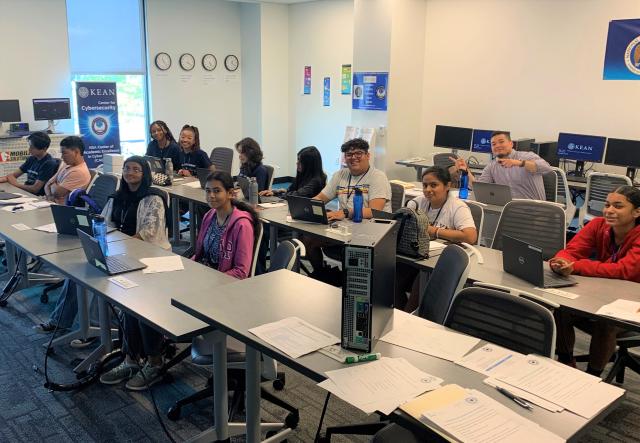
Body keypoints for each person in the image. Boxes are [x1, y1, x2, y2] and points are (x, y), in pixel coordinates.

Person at [99, 156, 172, 390]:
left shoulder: (153, 198)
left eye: (136, 169)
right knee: (127, 306)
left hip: (151, 260)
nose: (130, 173)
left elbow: (149, 234)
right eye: (127, 168)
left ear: (145, 174)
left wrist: (120, 246)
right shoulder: (117, 197)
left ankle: (154, 361)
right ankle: (131, 358)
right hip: (122, 256)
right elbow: (103, 223)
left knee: (143, 307)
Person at [552, 185, 640, 376]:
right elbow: (572, 250)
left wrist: (577, 266)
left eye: (618, 206)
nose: (609, 210)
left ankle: (593, 376)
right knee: (560, 307)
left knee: (605, 321)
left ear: (637, 212)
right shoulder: (598, 225)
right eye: (607, 205)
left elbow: (625, 271)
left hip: (634, 303)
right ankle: (566, 361)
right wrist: (561, 261)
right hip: (604, 293)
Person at [395, 166, 478, 311]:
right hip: (418, 255)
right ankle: (396, 312)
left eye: (434, 185)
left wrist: (434, 231)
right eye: (425, 185)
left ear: (447, 186)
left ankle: (409, 316)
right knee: (389, 272)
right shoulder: (418, 202)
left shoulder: (457, 206)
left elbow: (470, 236)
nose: (428, 190)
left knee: (421, 277)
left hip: (439, 260)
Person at [306, 138, 391, 277]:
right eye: (349, 154)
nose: (353, 157)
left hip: (372, 232)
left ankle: (340, 279)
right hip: (346, 229)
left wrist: (345, 212)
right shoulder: (340, 175)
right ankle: (322, 275)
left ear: (367, 155)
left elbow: (375, 211)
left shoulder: (377, 177)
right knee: (309, 239)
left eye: (358, 153)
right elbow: (320, 198)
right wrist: (305, 207)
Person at [450, 131, 552, 200]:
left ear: (511, 144)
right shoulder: (492, 166)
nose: (497, 146)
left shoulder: (527, 156)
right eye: (493, 144)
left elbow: (546, 168)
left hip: (535, 212)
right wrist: (465, 171)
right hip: (508, 211)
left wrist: (520, 163)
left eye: (501, 142)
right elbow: (479, 187)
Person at [192, 171, 258, 279]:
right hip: (203, 275)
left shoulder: (242, 225)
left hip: (223, 283)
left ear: (230, 193)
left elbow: (241, 271)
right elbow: (200, 254)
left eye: (217, 191)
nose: (211, 195)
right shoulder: (209, 215)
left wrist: (213, 280)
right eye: (208, 191)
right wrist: (188, 266)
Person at [0, 131, 58, 195]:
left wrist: (16, 184)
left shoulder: (49, 163)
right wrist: (5, 179)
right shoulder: (32, 159)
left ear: (44, 149)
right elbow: (12, 176)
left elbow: (35, 189)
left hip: (38, 197)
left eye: (33, 147)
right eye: (30, 146)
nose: (29, 150)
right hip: (26, 193)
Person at [259, 146, 326, 199]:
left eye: (301, 161)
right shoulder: (303, 174)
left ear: (309, 164)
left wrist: (278, 195)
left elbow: (298, 195)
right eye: (298, 159)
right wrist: (274, 192)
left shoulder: (317, 180)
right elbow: (290, 190)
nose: (297, 163)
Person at [44, 136, 92, 204]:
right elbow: (47, 184)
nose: (62, 157)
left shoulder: (79, 172)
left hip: (60, 208)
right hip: (51, 202)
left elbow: (56, 193)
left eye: (64, 153)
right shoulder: (66, 164)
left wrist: (53, 184)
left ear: (76, 152)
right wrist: (49, 196)